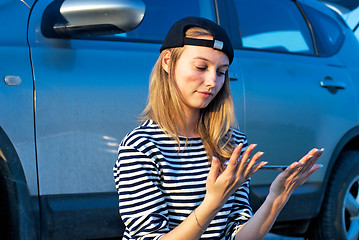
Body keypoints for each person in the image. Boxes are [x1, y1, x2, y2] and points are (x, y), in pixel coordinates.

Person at [113, 16, 323, 240]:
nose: (213, 81)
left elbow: (237, 234)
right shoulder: (141, 148)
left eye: (221, 72)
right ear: (167, 62)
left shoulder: (231, 144)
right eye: (201, 67)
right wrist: (213, 202)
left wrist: (277, 198)